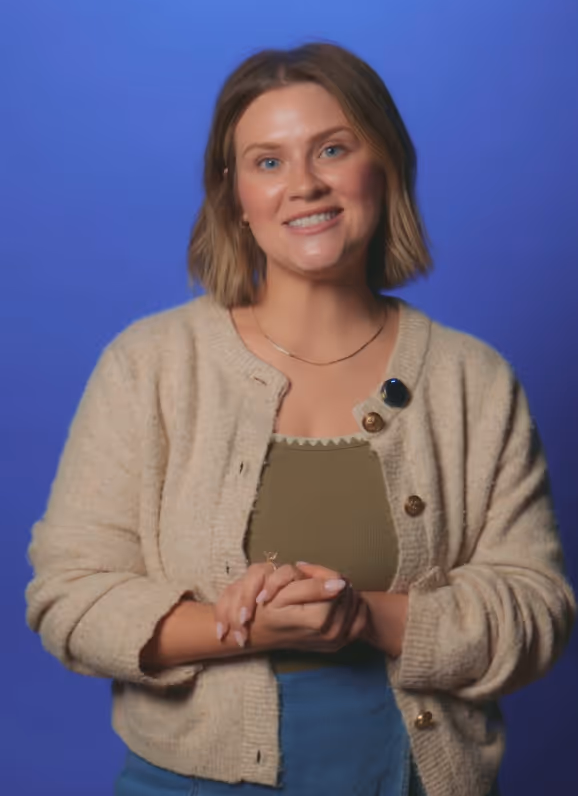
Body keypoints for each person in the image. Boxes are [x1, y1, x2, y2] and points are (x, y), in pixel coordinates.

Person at [25, 42, 575, 796]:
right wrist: (241, 624)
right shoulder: (150, 365)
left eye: (333, 148)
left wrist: (362, 616)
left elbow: (536, 611)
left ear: (384, 164)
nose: (305, 185)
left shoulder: (471, 380)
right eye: (268, 161)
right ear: (234, 195)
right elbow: (71, 596)